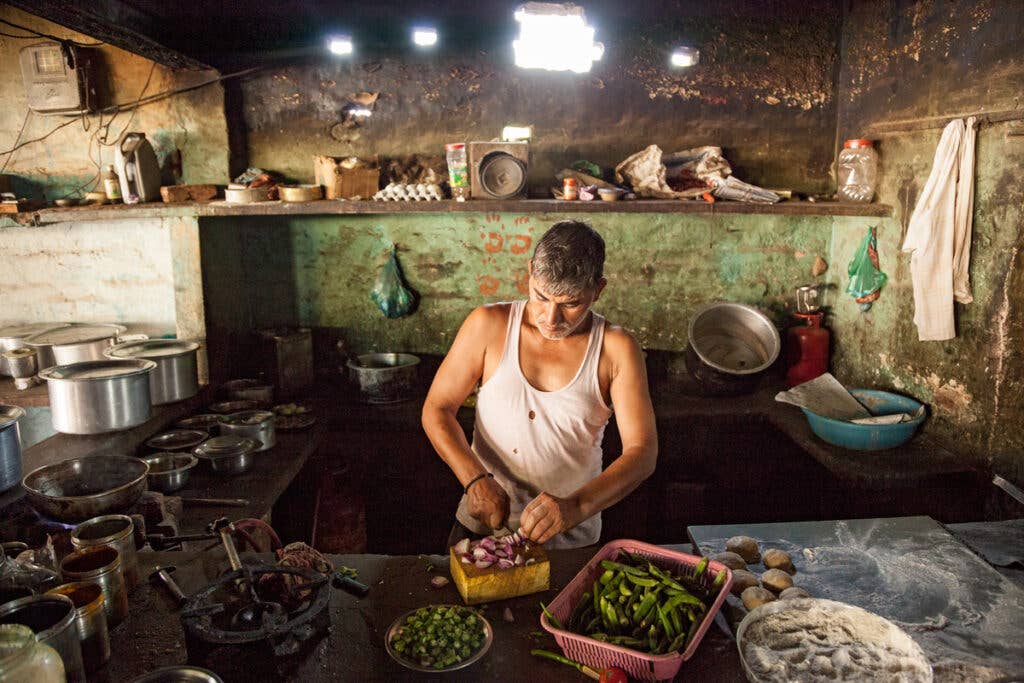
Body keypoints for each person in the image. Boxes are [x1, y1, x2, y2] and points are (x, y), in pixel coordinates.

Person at [421, 219, 657, 549]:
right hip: (482, 530)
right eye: (541, 296)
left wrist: (576, 507)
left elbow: (643, 453)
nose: (550, 318)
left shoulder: (616, 349)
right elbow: (438, 409)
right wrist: (474, 479)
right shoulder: (488, 326)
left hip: (571, 541)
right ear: (530, 272)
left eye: (570, 304)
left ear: (597, 290)